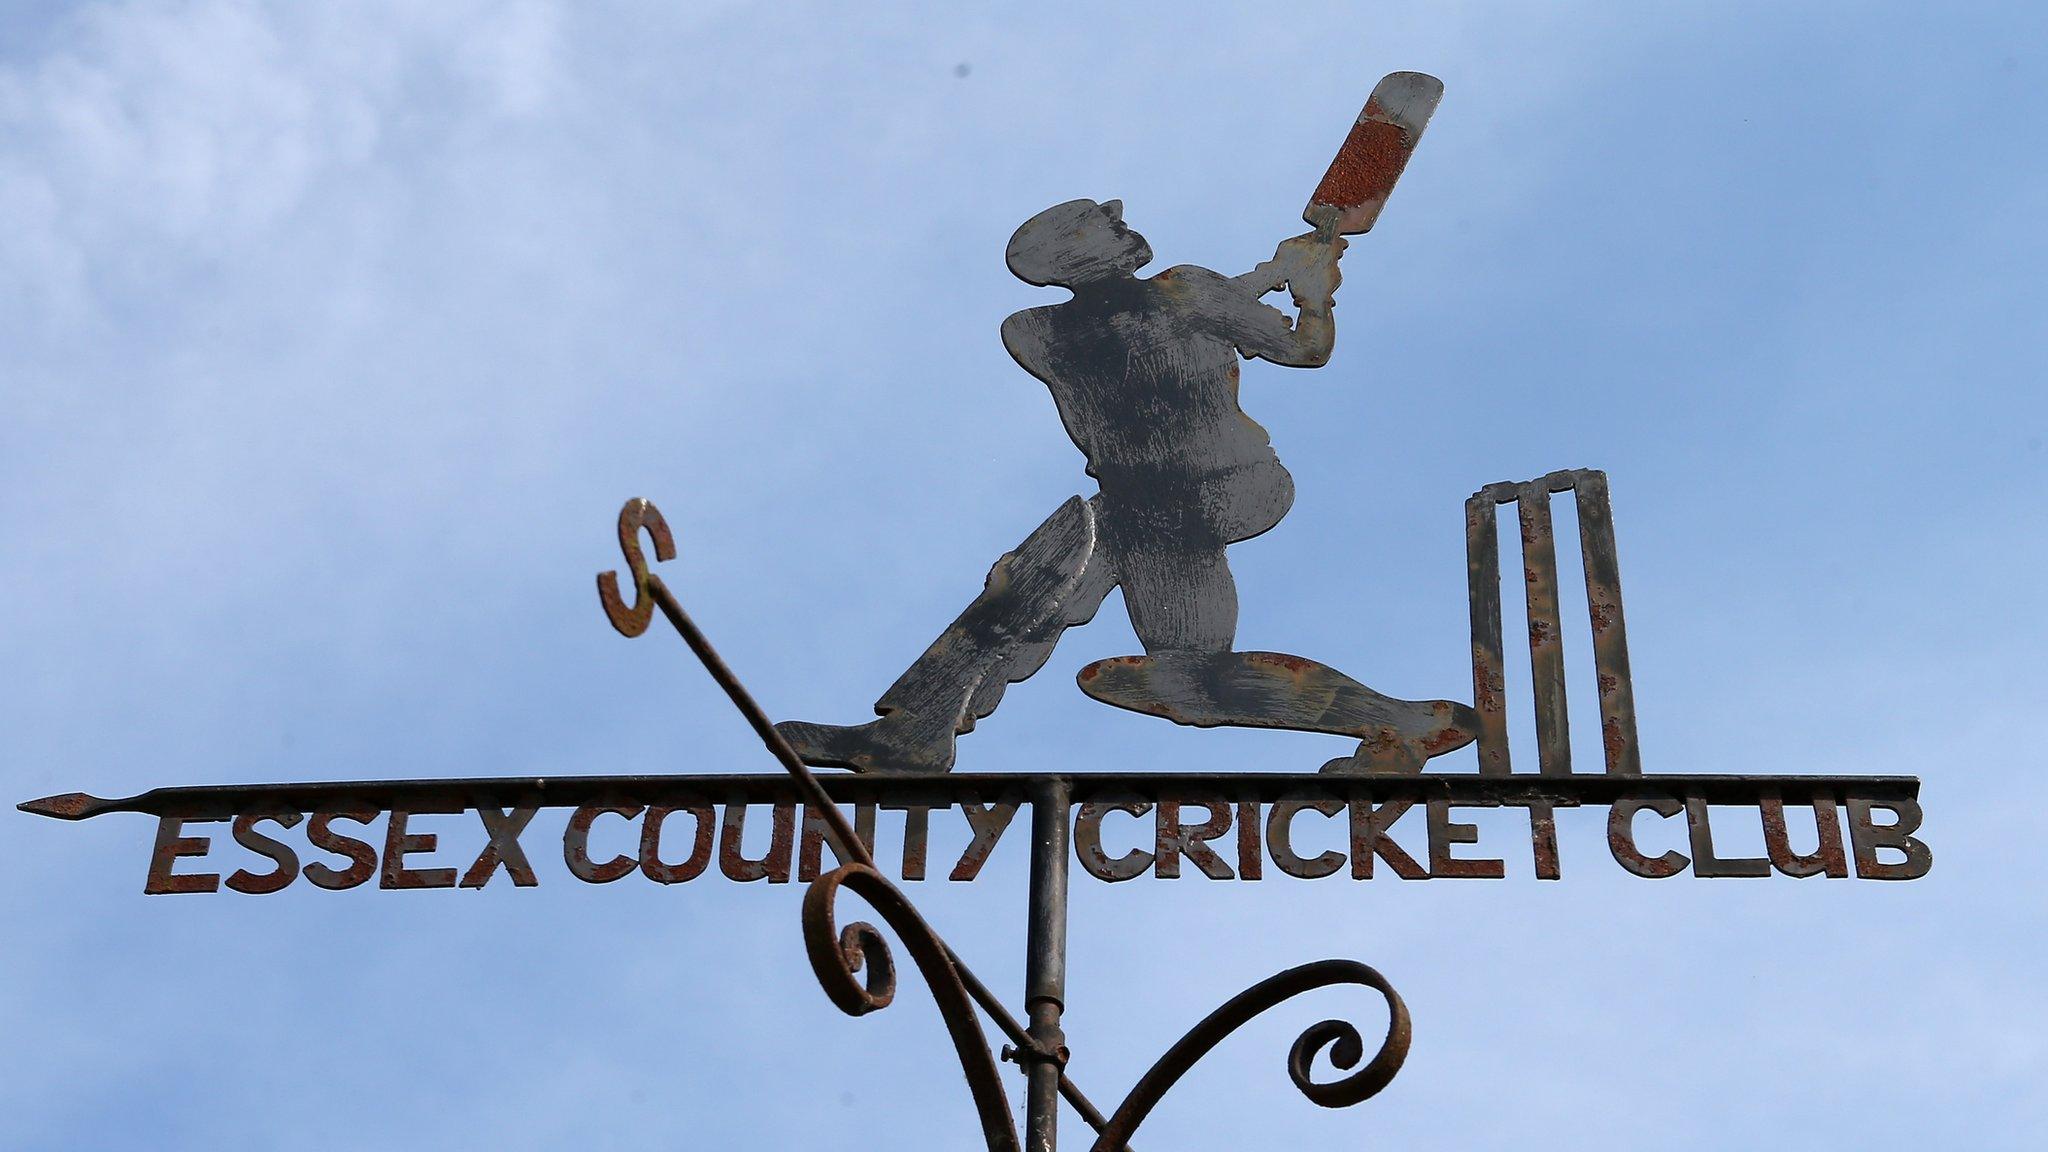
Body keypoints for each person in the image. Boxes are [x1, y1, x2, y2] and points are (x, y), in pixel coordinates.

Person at [776, 198, 1473, 773]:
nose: (1120, 217)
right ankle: (1401, 725)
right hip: (1156, 502)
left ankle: (912, 736)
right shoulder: (1113, 313)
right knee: (1177, 671)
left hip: (1216, 490)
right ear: (1082, 250)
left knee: (1034, 585)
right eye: (1102, 220)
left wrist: (1274, 282)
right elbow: (1286, 344)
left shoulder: (1043, 327)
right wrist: (1310, 295)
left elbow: (1178, 323)